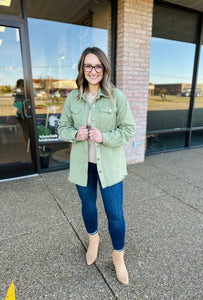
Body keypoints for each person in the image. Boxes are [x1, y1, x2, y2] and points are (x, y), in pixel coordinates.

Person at [58, 47, 135, 285]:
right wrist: (75, 134)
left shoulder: (116, 96)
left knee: (115, 215)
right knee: (87, 204)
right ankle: (94, 239)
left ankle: (118, 256)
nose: (93, 71)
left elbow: (128, 129)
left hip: (109, 167)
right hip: (83, 166)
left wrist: (106, 137)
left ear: (104, 68)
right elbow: (62, 128)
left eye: (98, 66)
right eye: (88, 66)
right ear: (82, 68)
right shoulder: (74, 97)